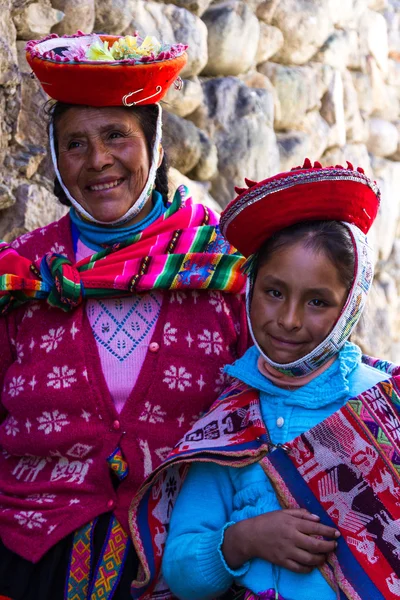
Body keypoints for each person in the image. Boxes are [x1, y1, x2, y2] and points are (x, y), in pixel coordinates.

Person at [0, 31, 248, 600]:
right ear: (57, 159)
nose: (99, 160)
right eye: (75, 144)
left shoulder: (218, 267)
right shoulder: (25, 274)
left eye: (117, 135)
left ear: (155, 144)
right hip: (29, 557)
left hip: (187, 557)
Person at [126, 160, 400, 600]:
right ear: (250, 287)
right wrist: (243, 541)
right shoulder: (228, 423)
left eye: (317, 301)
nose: (289, 320)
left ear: (350, 306)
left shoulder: (383, 406)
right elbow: (180, 567)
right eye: (274, 292)